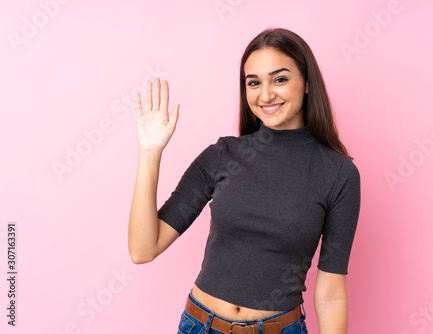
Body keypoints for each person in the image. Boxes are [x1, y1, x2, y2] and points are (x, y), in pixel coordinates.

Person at [128, 28, 361, 334]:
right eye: (254, 83)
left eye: (279, 79)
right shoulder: (223, 155)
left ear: (306, 83)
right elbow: (143, 249)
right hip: (200, 326)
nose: (265, 95)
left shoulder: (338, 173)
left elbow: (330, 294)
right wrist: (149, 152)